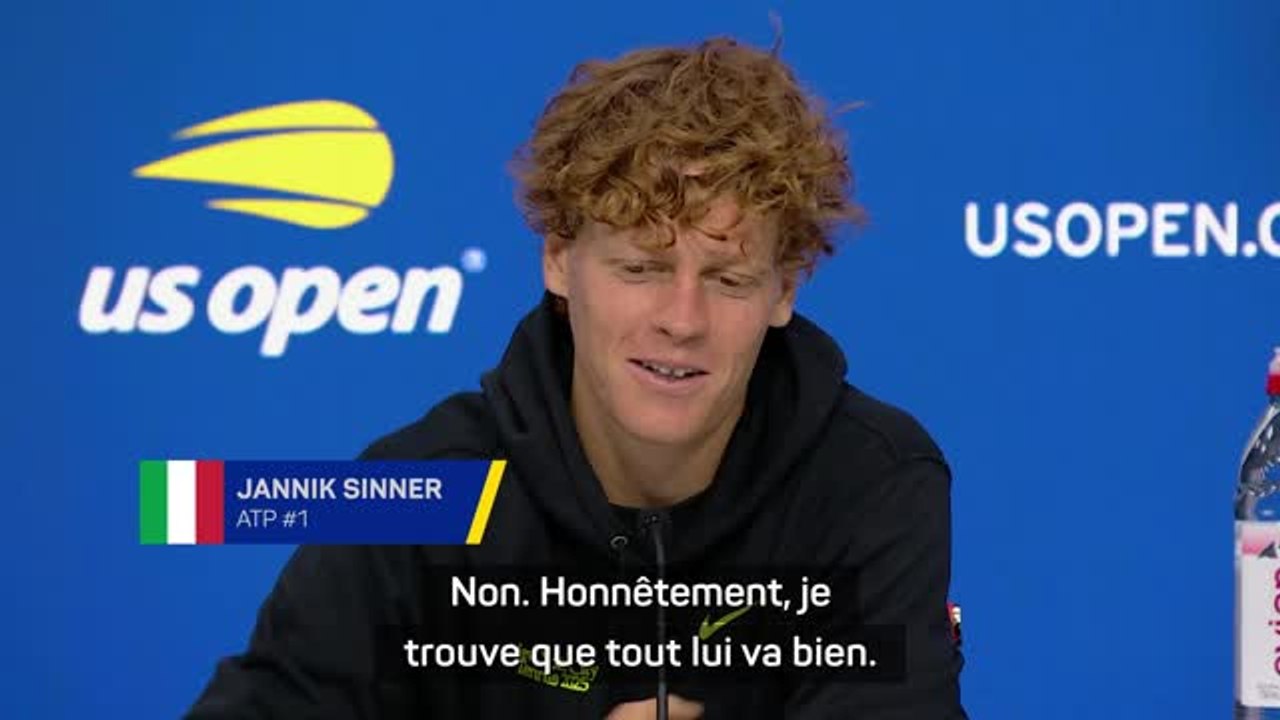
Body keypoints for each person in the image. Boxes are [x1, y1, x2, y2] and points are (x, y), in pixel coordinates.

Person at [187, 35, 966, 719]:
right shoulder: (415, 492)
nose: (682, 319)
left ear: (784, 289)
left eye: (728, 279)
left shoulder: (869, 480)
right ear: (559, 260)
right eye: (641, 267)